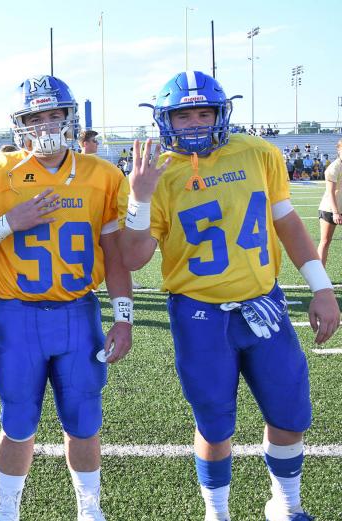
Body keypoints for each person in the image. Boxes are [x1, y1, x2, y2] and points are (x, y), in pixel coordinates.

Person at [121, 71, 340, 521]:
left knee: (289, 411)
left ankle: (285, 504)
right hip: (198, 313)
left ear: (223, 113)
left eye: (205, 112)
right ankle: (216, 512)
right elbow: (132, 257)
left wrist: (321, 287)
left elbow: (288, 223)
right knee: (215, 423)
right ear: (166, 121)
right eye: (184, 116)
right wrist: (139, 199)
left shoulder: (258, 153)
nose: (197, 123)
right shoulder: (158, 172)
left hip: (264, 304)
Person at [0, 74, 132, 521]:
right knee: (17, 420)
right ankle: (6, 510)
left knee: (84, 419)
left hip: (77, 313)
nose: (47, 125)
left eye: (55, 115)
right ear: (20, 124)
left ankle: (89, 508)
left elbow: (114, 253)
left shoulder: (102, 175)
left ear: (71, 118)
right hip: (17, 317)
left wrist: (124, 316)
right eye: (36, 117)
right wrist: (8, 222)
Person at [317, 139, 342, 267]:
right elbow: (331, 192)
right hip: (330, 209)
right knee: (325, 241)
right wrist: (336, 212)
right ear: (339, 150)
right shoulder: (334, 167)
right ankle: (319, 276)